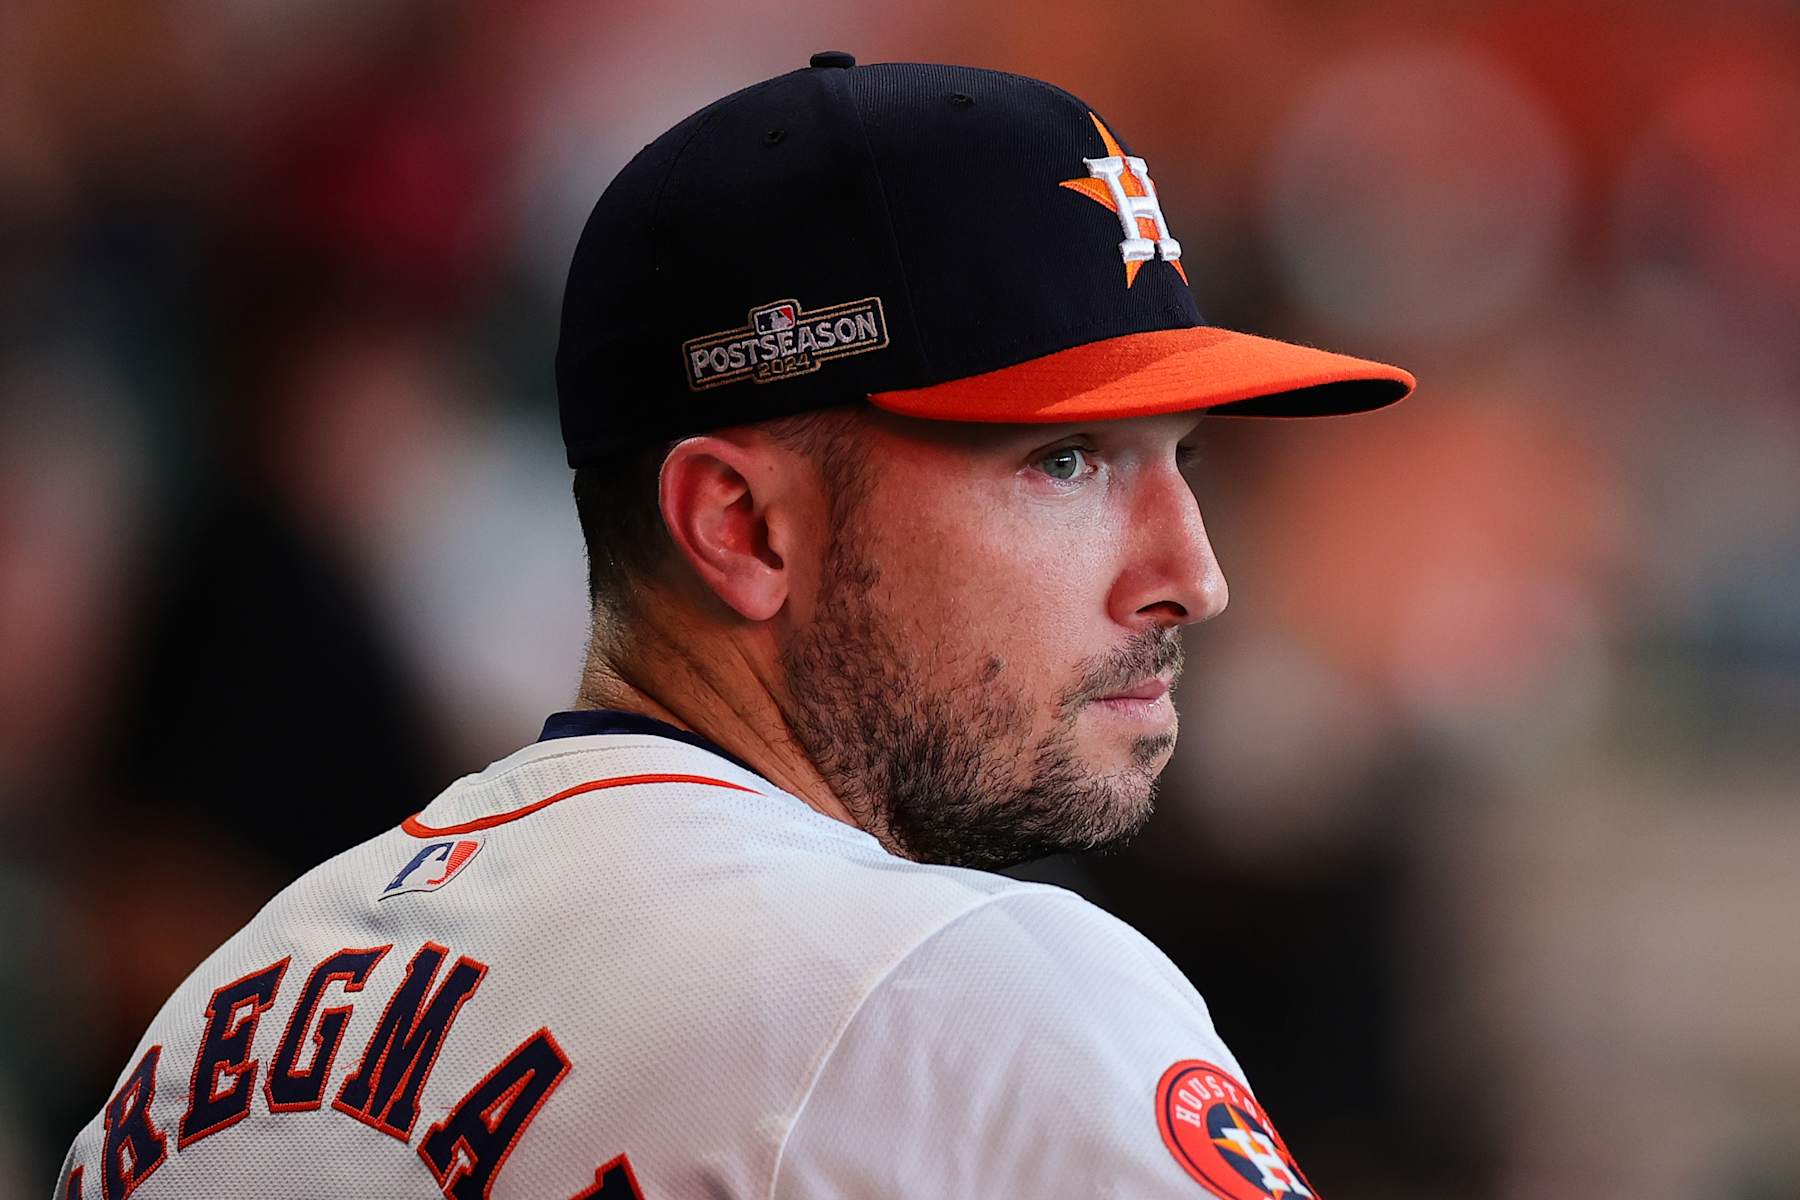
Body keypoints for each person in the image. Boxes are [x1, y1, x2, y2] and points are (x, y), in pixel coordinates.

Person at [57, 53, 1412, 1199]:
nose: (1192, 574)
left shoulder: (209, 1028)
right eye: (1064, 465)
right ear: (742, 527)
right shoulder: (978, 992)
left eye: (1183, 457)